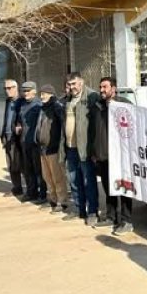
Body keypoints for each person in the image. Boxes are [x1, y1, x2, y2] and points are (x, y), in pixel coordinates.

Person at [91, 76, 133, 235]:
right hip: (103, 156)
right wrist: (94, 152)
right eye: (100, 87)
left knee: (123, 189)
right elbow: (94, 131)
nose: (102, 90)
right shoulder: (97, 106)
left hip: (120, 157)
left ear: (113, 89)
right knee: (109, 189)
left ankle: (126, 220)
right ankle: (111, 217)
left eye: (105, 87)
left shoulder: (124, 105)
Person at [61, 72, 99, 224]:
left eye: (74, 84)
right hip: (70, 148)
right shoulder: (68, 100)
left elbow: (97, 125)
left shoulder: (91, 97)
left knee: (88, 181)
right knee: (74, 180)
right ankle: (79, 209)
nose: (72, 87)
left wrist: (94, 149)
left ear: (81, 82)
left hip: (85, 149)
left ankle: (92, 212)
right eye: (69, 85)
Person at [35, 84, 67, 212]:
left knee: (57, 176)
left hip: (53, 148)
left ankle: (62, 201)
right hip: (43, 148)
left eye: (44, 94)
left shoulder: (56, 107)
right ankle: (52, 199)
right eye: (41, 94)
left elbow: (63, 124)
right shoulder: (43, 108)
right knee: (47, 176)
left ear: (51, 94)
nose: (42, 96)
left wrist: (60, 144)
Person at [15, 81, 46, 204]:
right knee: (28, 170)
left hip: (35, 143)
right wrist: (18, 125)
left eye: (28, 91)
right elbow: (20, 120)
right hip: (24, 142)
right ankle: (31, 192)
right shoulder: (22, 105)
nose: (25, 93)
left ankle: (42, 195)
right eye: (24, 91)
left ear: (34, 91)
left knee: (39, 171)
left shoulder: (38, 105)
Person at [1, 80, 24, 197]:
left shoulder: (21, 102)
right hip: (7, 137)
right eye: (5, 88)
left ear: (16, 88)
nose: (7, 90)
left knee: (21, 164)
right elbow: (6, 119)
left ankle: (32, 190)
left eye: (10, 88)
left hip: (18, 138)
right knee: (11, 164)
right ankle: (17, 188)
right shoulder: (8, 101)